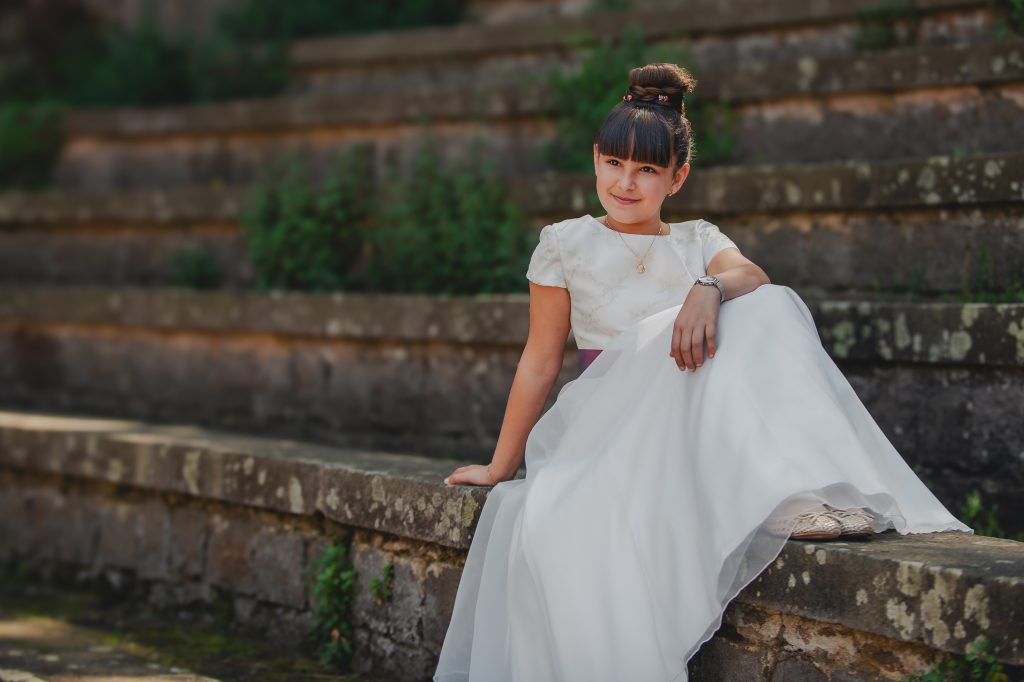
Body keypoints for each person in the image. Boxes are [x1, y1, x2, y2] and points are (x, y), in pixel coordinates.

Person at [433, 63, 971, 682]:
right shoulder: (564, 242)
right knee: (731, 318)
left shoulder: (697, 240)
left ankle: (794, 494)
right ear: (595, 160)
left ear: (677, 177)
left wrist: (707, 287)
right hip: (608, 424)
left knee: (767, 304)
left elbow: (754, 277)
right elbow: (540, 358)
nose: (625, 183)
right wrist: (503, 465)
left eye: (647, 170)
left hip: (687, 422)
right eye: (613, 163)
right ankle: (781, 496)